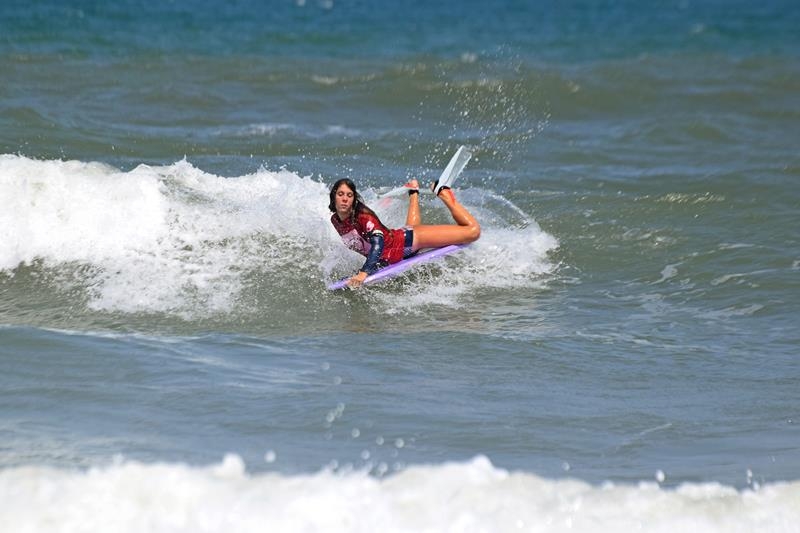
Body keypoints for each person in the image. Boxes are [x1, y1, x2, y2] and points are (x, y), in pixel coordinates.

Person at [329, 177, 480, 288]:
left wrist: (364, 273)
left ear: (354, 199)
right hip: (394, 246)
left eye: (349, 195)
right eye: (340, 194)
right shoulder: (336, 220)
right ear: (334, 196)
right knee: (410, 226)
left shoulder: (364, 216)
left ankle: (443, 192)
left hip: (409, 241)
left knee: (473, 232)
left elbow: (378, 243)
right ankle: (413, 191)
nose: (344, 199)